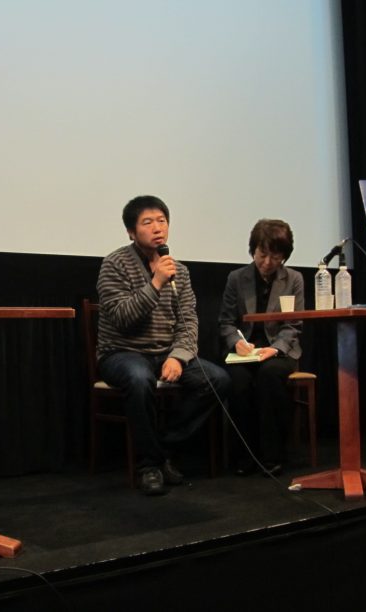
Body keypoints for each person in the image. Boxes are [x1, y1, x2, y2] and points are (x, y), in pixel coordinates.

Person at [96, 195, 231, 496]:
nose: (158, 228)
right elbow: (122, 318)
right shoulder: (114, 264)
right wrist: (155, 283)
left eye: (162, 221)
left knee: (217, 379)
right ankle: (149, 466)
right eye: (148, 222)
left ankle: (162, 448)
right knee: (138, 378)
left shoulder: (179, 270)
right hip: (121, 353)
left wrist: (179, 357)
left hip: (164, 354)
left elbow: (188, 322)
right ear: (131, 232)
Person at [218, 219, 304, 476]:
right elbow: (226, 322)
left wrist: (275, 348)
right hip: (245, 351)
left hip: (279, 351)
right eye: (262, 254)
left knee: (269, 375)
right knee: (238, 380)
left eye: (275, 257)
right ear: (253, 250)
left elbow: (294, 325)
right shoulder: (236, 278)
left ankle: (272, 455)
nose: (267, 262)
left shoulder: (294, 279)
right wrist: (236, 342)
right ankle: (244, 456)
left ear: (284, 256)